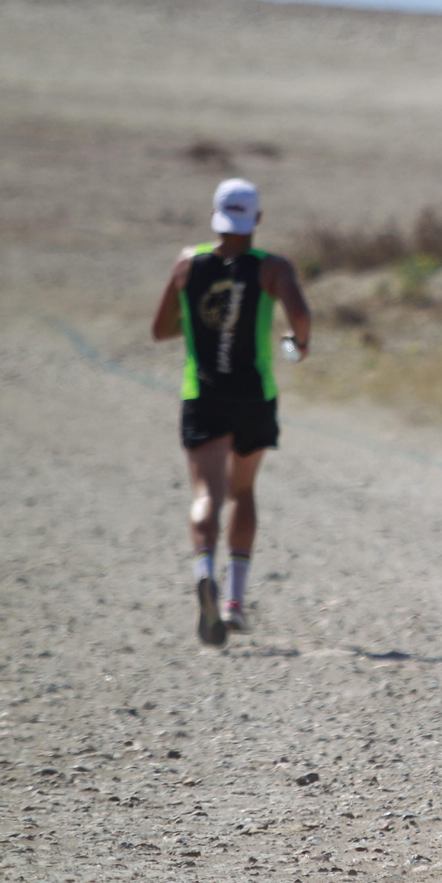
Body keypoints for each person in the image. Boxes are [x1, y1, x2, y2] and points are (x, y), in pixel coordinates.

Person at [150, 178, 311, 646]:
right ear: (256, 218)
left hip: (202, 394)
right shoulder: (272, 268)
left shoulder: (187, 264)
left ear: (216, 216)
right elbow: (301, 316)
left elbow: (160, 329)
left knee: (207, 493)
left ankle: (205, 569)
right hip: (253, 395)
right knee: (243, 490)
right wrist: (298, 345)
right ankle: (235, 603)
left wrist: (201, 319)